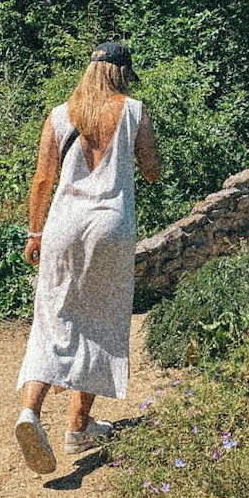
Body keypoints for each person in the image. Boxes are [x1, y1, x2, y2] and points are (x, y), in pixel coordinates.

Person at [14, 41, 161, 474]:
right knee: (100, 320)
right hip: (110, 228)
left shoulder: (60, 115)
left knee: (53, 317)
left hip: (61, 227)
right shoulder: (134, 111)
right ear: (123, 74)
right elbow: (151, 172)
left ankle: (30, 412)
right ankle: (78, 426)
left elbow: (43, 179)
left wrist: (34, 231)